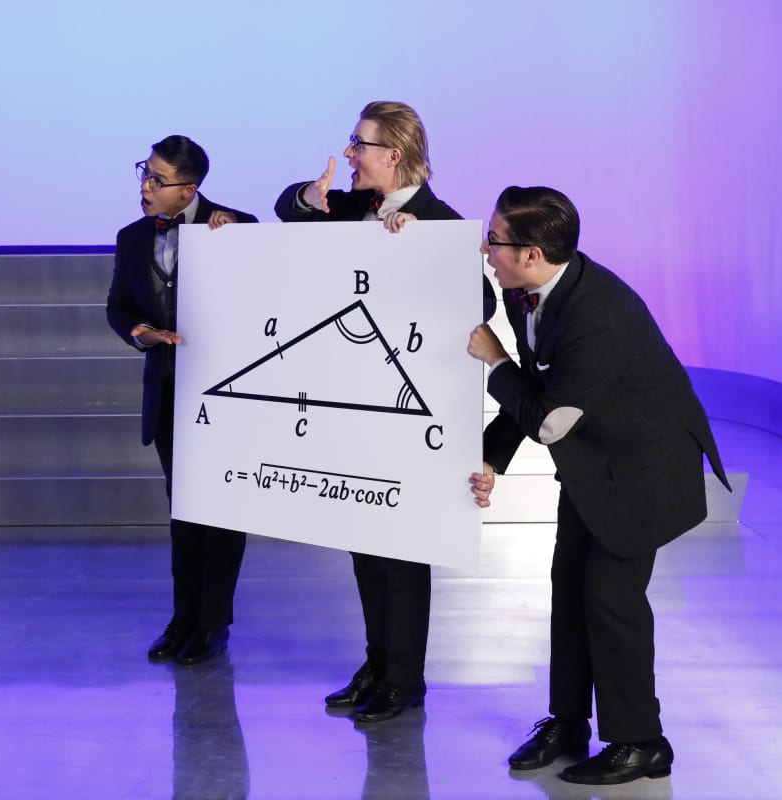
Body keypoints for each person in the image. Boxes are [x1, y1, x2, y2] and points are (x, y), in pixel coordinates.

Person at [467, 186, 729, 785]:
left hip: (643, 473)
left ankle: (642, 742)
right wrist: (491, 458)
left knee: (611, 601)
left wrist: (495, 362)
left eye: (494, 239)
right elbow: (539, 383)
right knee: (570, 589)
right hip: (595, 465)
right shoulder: (525, 292)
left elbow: (548, 419)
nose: (486, 249)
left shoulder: (597, 314)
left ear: (531, 254)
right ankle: (568, 722)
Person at [275, 101, 495, 723]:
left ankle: (405, 678)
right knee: (364, 544)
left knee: (402, 551)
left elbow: (480, 302)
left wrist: (418, 253)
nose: (349, 155)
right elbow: (287, 209)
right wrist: (309, 195)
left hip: (409, 415)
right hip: (357, 410)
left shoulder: (439, 222)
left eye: (358, 144)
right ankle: (376, 664)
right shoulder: (352, 207)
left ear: (393, 154)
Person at [106, 135, 257, 665]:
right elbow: (118, 306)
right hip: (168, 389)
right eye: (144, 173)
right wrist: (140, 332)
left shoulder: (237, 226)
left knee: (222, 509)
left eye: (157, 179)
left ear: (189, 189)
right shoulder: (131, 237)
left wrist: (236, 246)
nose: (145, 186)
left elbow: (265, 294)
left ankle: (214, 622)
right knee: (185, 510)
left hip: (226, 394)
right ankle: (183, 619)